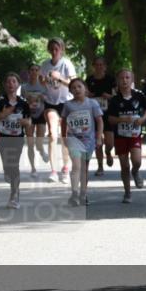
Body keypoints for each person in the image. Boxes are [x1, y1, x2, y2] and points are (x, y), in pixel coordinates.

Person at [107, 68, 146, 204]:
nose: (124, 80)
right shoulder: (114, 100)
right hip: (120, 136)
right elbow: (110, 119)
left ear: (132, 80)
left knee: (137, 161)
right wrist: (122, 120)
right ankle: (127, 193)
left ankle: (136, 171)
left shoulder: (139, 95)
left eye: (127, 78)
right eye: (122, 78)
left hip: (135, 134)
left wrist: (143, 119)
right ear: (117, 81)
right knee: (124, 165)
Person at [60, 77, 103, 207]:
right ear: (70, 91)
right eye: (73, 87)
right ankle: (74, 193)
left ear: (85, 89)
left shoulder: (92, 104)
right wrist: (64, 137)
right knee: (76, 166)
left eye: (79, 86)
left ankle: (83, 194)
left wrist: (99, 137)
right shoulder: (68, 105)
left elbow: (99, 121)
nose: (77, 89)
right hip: (73, 139)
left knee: (84, 168)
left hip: (88, 140)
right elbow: (63, 122)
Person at [0, 72, 31, 209]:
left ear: (18, 84)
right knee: (8, 168)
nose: (11, 84)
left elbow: (29, 121)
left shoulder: (23, 103)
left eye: (14, 81)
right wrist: (3, 115)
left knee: (14, 165)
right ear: (4, 85)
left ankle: (14, 195)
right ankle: (9, 176)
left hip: (17, 139)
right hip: (2, 139)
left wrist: (25, 121)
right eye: (8, 81)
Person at [40, 37, 76, 183]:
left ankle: (66, 169)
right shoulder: (45, 64)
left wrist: (59, 78)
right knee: (53, 136)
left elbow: (74, 83)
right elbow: (42, 81)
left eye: (57, 49)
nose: (54, 52)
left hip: (66, 103)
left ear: (61, 50)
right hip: (51, 103)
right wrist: (44, 80)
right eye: (52, 49)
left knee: (65, 137)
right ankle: (53, 171)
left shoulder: (66, 64)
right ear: (49, 50)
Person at [85, 56, 116, 176]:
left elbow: (116, 95)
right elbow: (85, 93)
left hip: (107, 113)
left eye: (101, 65)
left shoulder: (110, 79)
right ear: (93, 66)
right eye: (96, 65)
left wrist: (109, 96)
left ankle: (108, 152)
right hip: (94, 114)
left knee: (110, 143)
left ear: (105, 66)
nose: (99, 67)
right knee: (98, 142)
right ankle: (100, 167)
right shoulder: (89, 79)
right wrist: (89, 95)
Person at [20, 63, 49, 174]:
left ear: (39, 72)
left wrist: (42, 97)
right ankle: (33, 168)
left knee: (39, 143)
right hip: (29, 115)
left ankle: (41, 151)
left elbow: (48, 99)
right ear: (29, 72)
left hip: (41, 114)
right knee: (30, 143)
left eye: (36, 70)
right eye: (32, 69)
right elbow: (21, 101)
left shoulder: (43, 86)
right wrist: (27, 99)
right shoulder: (24, 87)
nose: (34, 72)